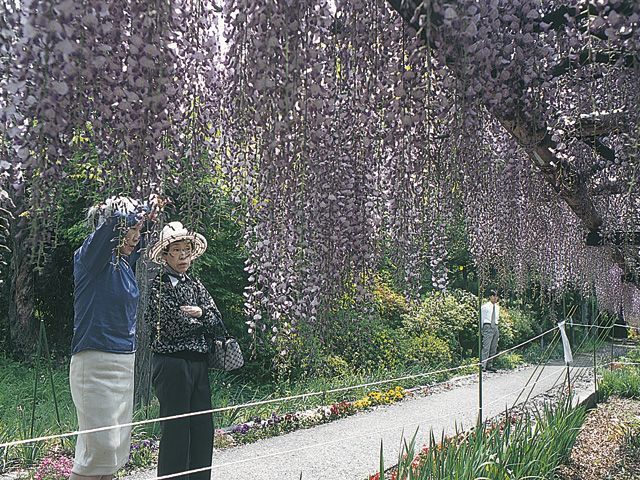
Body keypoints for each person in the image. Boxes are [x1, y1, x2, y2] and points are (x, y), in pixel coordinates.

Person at [69, 195, 161, 480]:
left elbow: (142, 235)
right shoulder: (91, 258)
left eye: (138, 231)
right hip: (94, 360)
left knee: (116, 452)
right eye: (129, 229)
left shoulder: (123, 263)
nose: (135, 237)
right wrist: (140, 205)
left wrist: (151, 211)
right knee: (98, 450)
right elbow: (113, 223)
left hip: (124, 362)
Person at [146, 221, 222, 480]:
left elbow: (217, 321)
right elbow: (169, 325)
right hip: (171, 363)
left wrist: (199, 314)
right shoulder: (158, 286)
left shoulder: (196, 284)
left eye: (186, 250)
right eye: (176, 250)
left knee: (202, 428)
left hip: (198, 363)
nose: (182, 256)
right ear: (165, 255)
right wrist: (202, 320)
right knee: (176, 431)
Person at [480, 289, 500, 372]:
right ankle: (482, 366)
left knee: (493, 347)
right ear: (490, 297)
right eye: (494, 296)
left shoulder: (497, 307)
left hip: (495, 326)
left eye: (496, 296)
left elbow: (497, 318)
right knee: (486, 347)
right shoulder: (485, 307)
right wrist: (482, 329)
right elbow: (482, 318)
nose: (495, 298)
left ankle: (489, 365)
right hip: (487, 326)